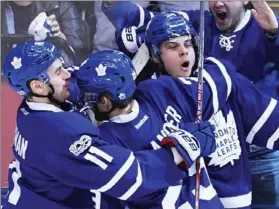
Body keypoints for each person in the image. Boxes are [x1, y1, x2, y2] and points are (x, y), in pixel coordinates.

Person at [75, 12, 279, 209]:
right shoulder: (144, 103)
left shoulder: (223, 83)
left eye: (189, 44)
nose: (184, 52)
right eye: (172, 46)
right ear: (155, 54)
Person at [1, 40, 217, 209]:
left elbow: (74, 80)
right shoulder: (60, 133)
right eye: (59, 72)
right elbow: (128, 177)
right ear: (38, 86)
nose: (68, 74)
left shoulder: (31, 104)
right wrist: (185, 147)